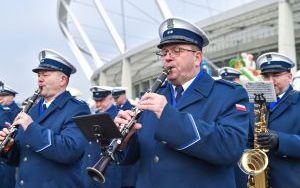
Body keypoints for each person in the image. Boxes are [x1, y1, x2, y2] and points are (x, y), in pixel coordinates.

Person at [114, 17, 250, 188]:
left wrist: (168, 115)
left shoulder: (228, 94)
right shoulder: (154, 95)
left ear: (197, 58)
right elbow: (141, 155)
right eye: (164, 53)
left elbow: (230, 149)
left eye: (176, 51)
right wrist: (125, 141)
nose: (167, 58)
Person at [0, 49, 90, 188]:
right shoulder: (32, 109)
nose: (40, 79)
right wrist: (9, 147)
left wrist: (31, 127)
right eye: (39, 75)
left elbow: (69, 151)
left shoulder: (77, 109)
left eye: (45, 75)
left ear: (62, 80)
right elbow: (23, 158)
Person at [254, 52, 300, 188]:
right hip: (259, 180)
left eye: (276, 75)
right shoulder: (255, 102)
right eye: (266, 76)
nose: (270, 80)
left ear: (289, 77)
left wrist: (280, 140)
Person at [81, 86, 120, 188]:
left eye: (101, 101)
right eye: (96, 101)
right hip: (92, 166)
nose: (98, 104)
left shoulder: (118, 116)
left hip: (107, 170)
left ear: (111, 98)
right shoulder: (95, 115)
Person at [112, 87, 138, 188]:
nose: (115, 100)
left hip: (129, 159)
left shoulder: (133, 109)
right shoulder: (115, 110)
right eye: (114, 98)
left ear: (124, 95)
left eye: (117, 97)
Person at [0, 82, 20, 188]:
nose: (0, 98)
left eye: (3, 95)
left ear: (12, 96)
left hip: (8, 153)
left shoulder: (15, 112)